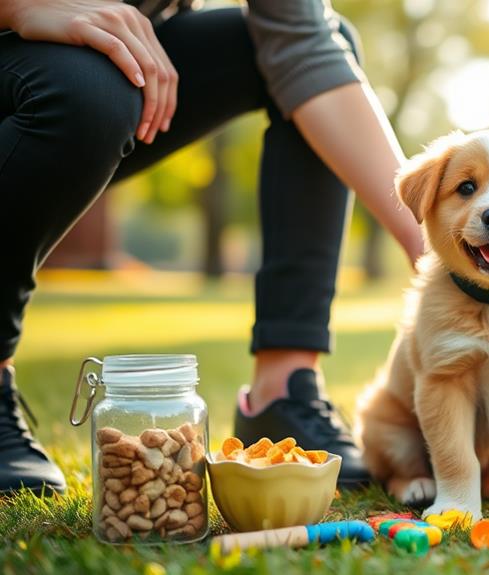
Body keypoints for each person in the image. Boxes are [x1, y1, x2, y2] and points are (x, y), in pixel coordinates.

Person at [0, 0, 425, 494]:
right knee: (89, 88)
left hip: (120, 67)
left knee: (318, 51)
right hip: (42, 62)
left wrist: (428, 242)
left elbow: (305, 46)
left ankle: (281, 393)